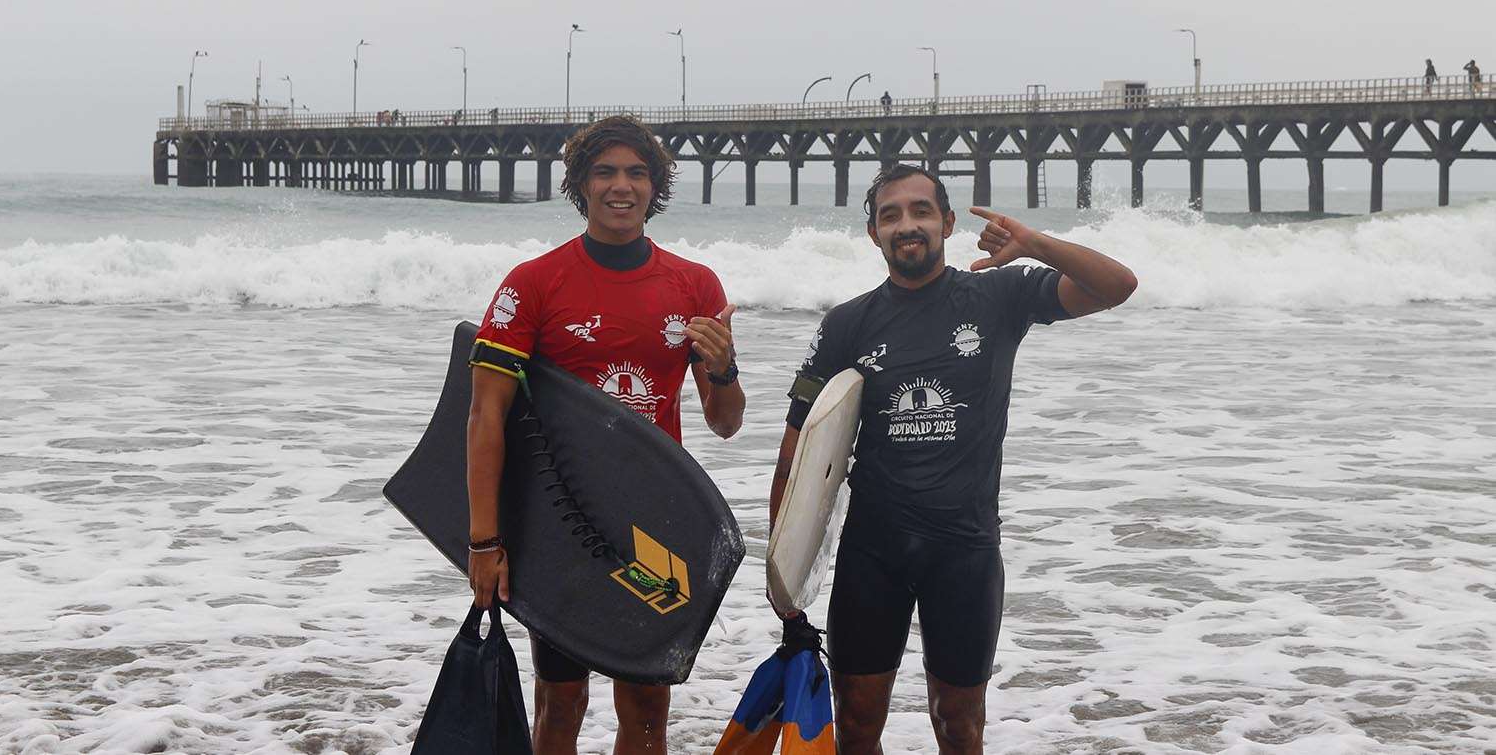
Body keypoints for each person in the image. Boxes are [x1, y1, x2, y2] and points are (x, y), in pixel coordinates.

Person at [769, 164, 1136, 754]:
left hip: (964, 551)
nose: (906, 225)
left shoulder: (999, 294)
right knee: (858, 724)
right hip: (873, 551)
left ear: (946, 222)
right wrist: (783, 571)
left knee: (959, 724)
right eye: (890, 215)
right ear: (873, 234)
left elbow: (1117, 285)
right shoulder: (846, 323)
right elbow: (798, 452)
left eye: (919, 211)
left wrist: (1035, 243)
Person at [467, 114, 746, 754]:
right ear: (581, 186)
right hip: (561, 524)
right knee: (559, 704)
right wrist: (485, 540)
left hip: (655, 527)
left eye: (637, 173)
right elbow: (485, 419)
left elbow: (726, 423)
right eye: (606, 173)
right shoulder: (533, 284)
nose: (622, 187)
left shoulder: (695, 285)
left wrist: (723, 366)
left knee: (648, 707)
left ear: (655, 187)